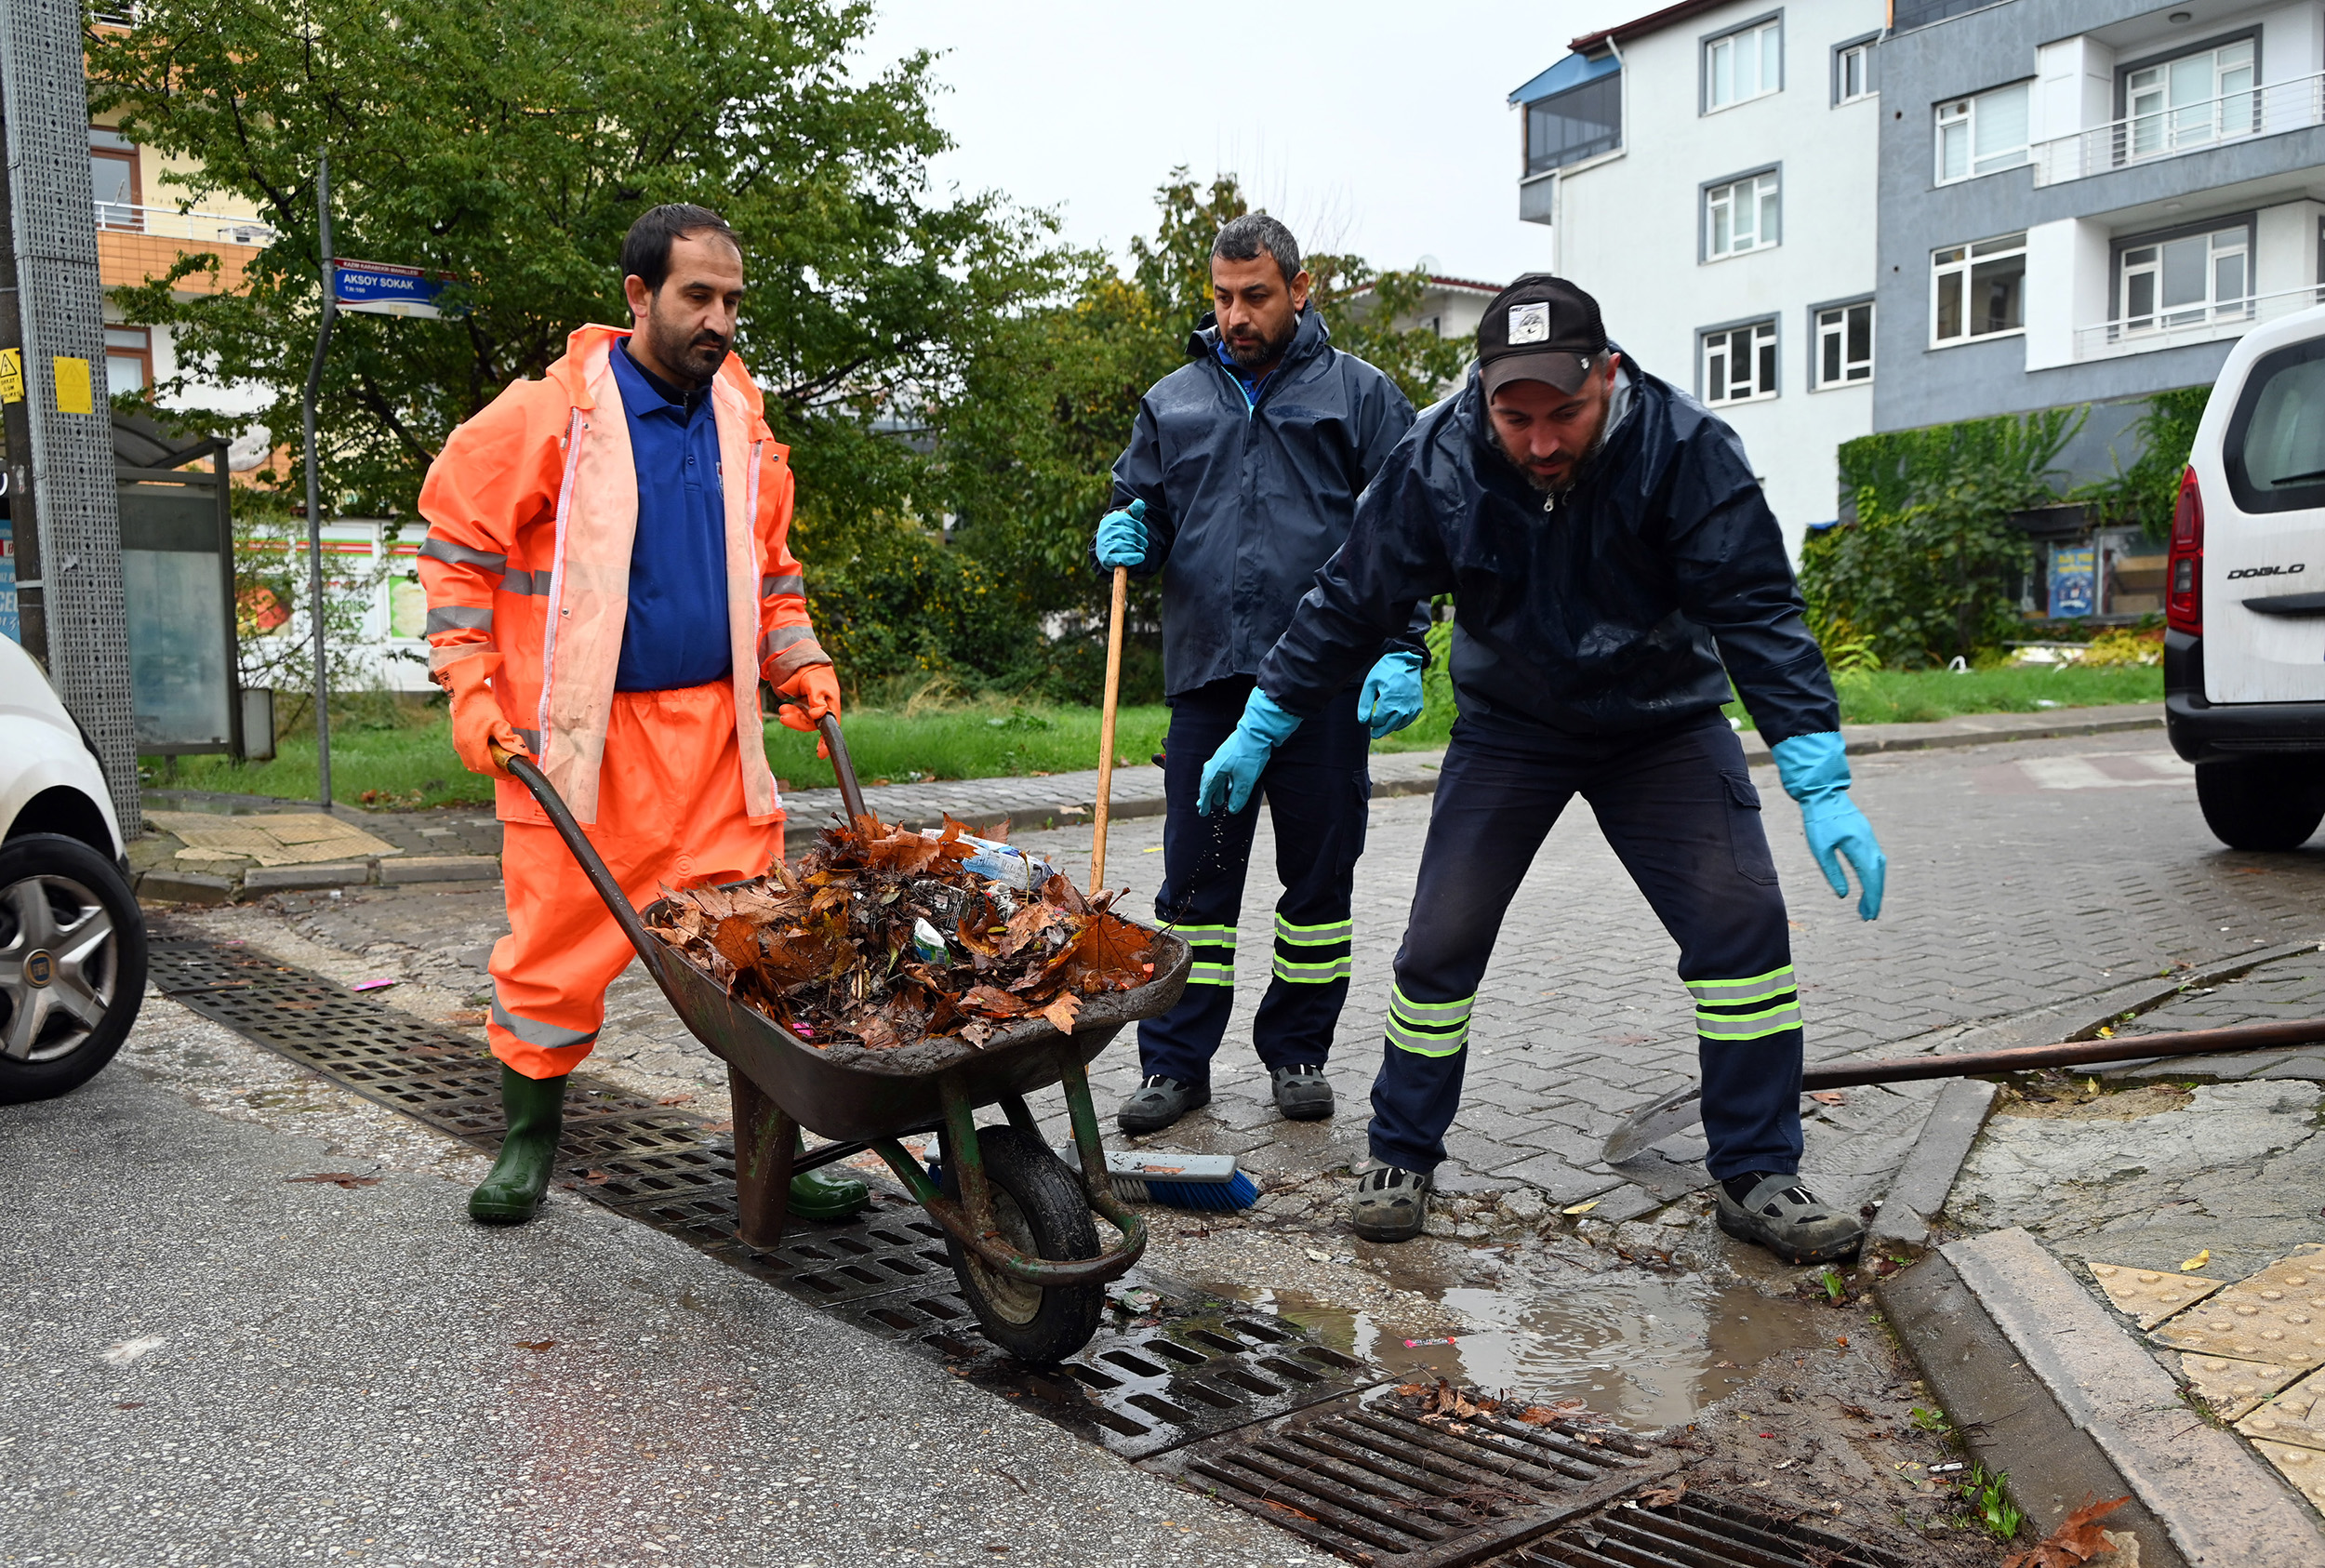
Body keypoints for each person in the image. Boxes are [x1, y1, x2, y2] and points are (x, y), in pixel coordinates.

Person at [1197, 275, 1888, 1265]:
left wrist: (1817, 780)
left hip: (1660, 723)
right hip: (1511, 725)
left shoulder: (1686, 452)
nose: (1542, 441)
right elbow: (1349, 597)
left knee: (1741, 928)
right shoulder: (1436, 458)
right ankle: (1400, 1155)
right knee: (1438, 942)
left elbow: (1758, 613)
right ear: (1483, 396)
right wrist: (1262, 723)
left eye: (1564, 411)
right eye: (1514, 416)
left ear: (1608, 374)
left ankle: (1756, 1172)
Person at [418, 204, 869, 1227]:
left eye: (732, 302)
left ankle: (778, 1156)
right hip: (585, 746)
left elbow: (772, 576)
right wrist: (471, 687)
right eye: (696, 297)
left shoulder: (740, 419)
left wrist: (799, 661)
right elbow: (456, 551)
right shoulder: (552, 414)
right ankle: (528, 1144)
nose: (718, 320)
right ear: (637, 296)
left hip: (715, 742)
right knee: (552, 959)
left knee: (758, 956)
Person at [1097, 213, 1428, 1136]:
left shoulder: (1363, 398)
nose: (1235, 315)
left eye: (1255, 296)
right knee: (1192, 889)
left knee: (1315, 890)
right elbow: (1145, 506)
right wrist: (1133, 532)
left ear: (1299, 286)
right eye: (1221, 297)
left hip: (1323, 684)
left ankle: (1297, 1053)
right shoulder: (1173, 401)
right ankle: (1174, 1064)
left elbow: (1404, 534)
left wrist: (1404, 643)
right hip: (1208, 678)